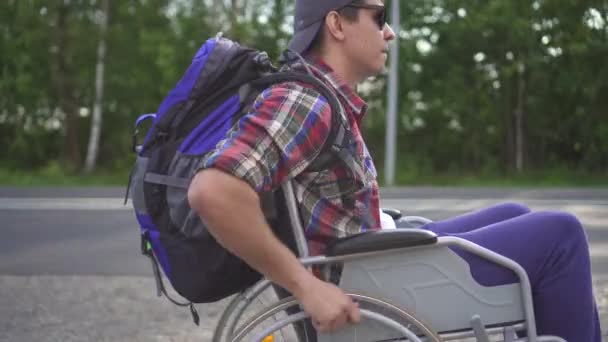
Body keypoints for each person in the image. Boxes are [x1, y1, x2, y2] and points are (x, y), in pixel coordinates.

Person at [187, 0, 602, 340]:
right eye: (379, 17)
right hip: (370, 286)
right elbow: (213, 191)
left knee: (516, 214)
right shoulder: (304, 100)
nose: (390, 32)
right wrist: (305, 286)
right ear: (336, 24)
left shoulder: (321, 95)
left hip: (375, 262)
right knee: (561, 235)